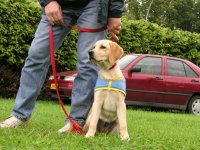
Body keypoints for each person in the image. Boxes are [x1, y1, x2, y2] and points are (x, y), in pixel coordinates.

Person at [0, 0, 124, 133]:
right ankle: (19, 115)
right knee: (36, 56)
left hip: (96, 4)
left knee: (89, 62)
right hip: (58, 3)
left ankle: (75, 122)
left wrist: (115, 12)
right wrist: (47, 2)